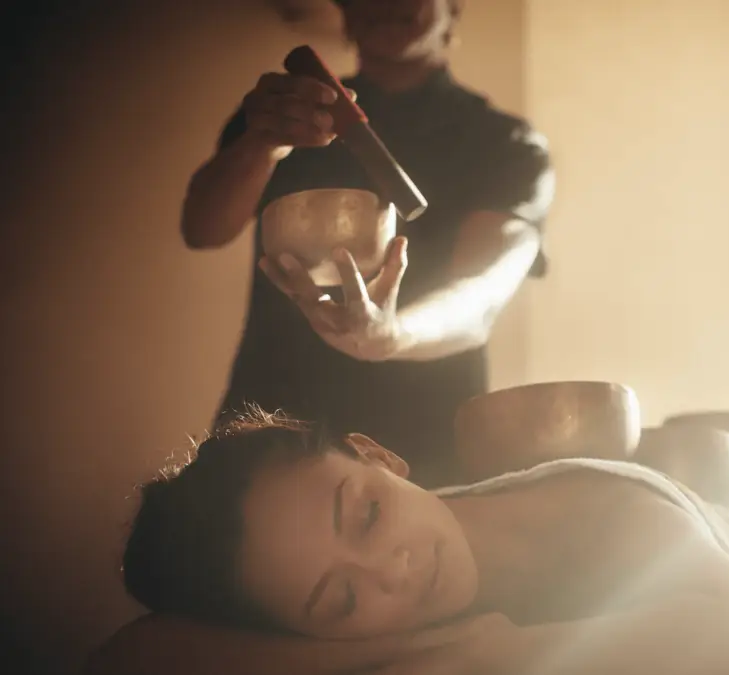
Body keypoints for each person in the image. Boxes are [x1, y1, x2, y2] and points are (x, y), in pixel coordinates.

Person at [90, 408, 729, 675]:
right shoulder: (396, 626)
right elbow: (130, 659)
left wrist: (497, 653)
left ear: (381, 456)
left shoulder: (595, 507)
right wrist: (416, 650)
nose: (391, 570)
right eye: (341, 597)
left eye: (365, 514)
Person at [185, 0, 555, 487]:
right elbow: (203, 228)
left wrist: (390, 335)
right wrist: (260, 144)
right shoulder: (286, 113)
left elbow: (480, 295)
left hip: (425, 435)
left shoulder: (504, 143)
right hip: (272, 418)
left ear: (452, 8)